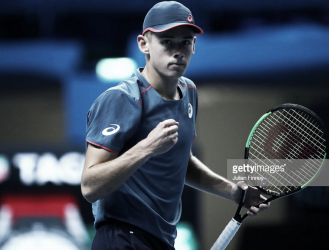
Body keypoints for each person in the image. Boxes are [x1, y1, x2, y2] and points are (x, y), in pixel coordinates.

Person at [81, 1, 269, 249]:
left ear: (194, 46)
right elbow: (90, 186)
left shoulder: (189, 91)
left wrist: (233, 192)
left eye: (185, 42)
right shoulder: (123, 98)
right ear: (144, 44)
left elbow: (181, 161)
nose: (178, 51)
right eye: (167, 42)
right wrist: (147, 147)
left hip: (161, 239)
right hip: (122, 237)